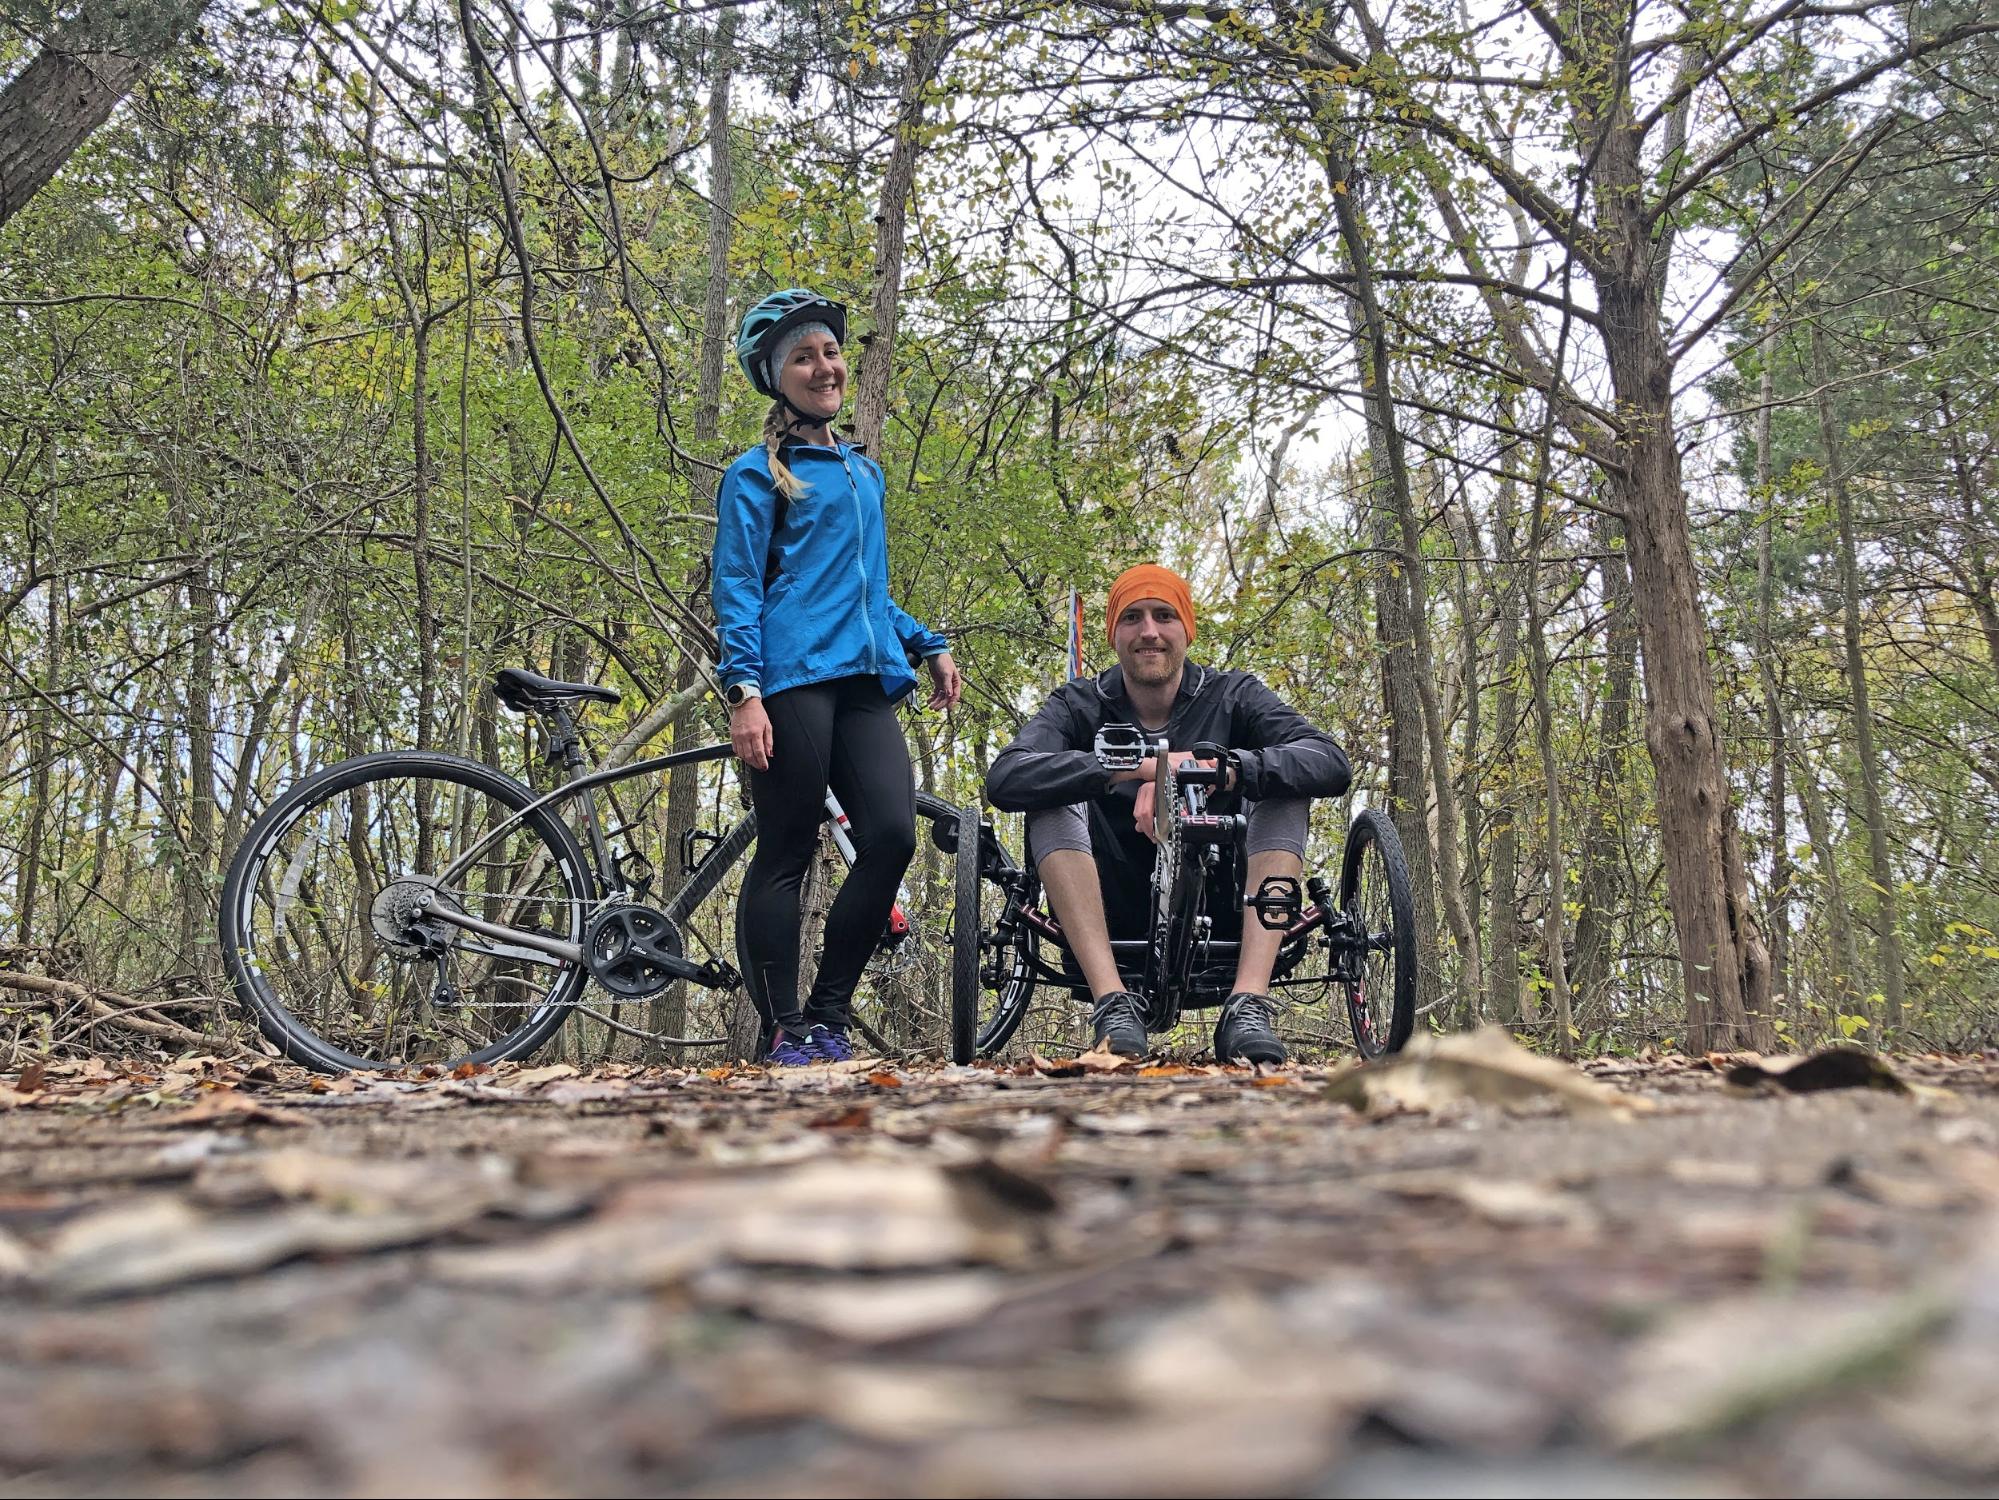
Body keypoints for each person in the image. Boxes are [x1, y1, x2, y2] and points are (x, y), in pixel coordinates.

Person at [712, 288, 961, 1066]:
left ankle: (827, 1013)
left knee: (888, 838)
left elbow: (868, 593)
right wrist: (743, 691)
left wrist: (928, 643)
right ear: (775, 377)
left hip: (864, 675)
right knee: (786, 847)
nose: (823, 368)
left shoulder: (862, 474)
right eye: (802, 357)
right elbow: (737, 586)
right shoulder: (756, 476)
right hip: (788, 679)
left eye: (828, 353)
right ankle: (783, 1026)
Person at [985, 564, 1350, 1065]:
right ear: (1114, 634)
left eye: (1164, 616)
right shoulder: (1079, 704)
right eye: (1132, 618)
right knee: (1049, 794)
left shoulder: (1234, 695)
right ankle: (1112, 1004)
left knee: (1285, 789)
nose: (1149, 631)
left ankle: (1248, 1004)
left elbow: (1329, 761)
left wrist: (1218, 769)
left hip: (1228, 902)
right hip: (1108, 902)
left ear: (1187, 630)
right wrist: (1130, 768)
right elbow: (1006, 778)